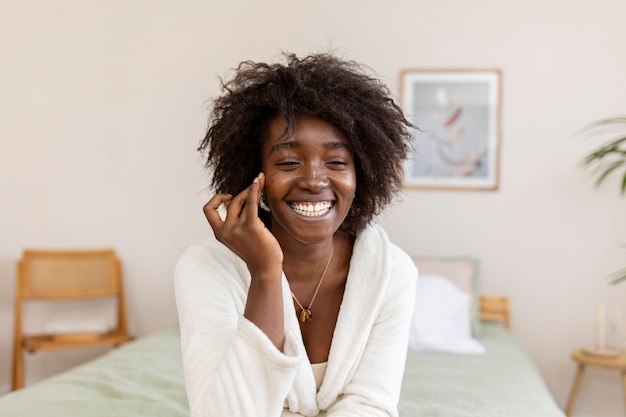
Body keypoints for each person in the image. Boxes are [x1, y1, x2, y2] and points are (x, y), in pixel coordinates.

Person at [174, 52, 418, 417]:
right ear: (256, 177)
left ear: (361, 175)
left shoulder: (390, 273)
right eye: (288, 162)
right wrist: (266, 273)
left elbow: (371, 406)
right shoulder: (206, 268)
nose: (314, 180)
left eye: (336, 162)